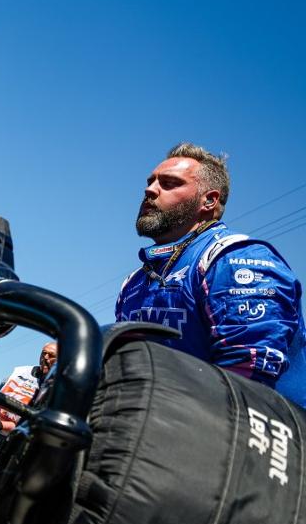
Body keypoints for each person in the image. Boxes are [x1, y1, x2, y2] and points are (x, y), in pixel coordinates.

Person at [116, 143, 306, 404]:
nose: (150, 190)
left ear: (209, 200)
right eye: (150, 182)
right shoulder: (133, 284)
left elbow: (247, 381)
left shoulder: (234, 259)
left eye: (169, 183)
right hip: (160, 430)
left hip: (258, 433)